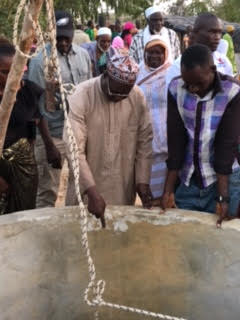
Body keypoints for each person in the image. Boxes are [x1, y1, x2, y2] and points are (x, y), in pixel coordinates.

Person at [65, 55, 153, 221]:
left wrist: (142, 180)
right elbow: (74, 149)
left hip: (122, 186)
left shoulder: (137, 97)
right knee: (81, 238)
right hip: (87, 189)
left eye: (123, 95)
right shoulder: (82, 95)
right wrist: (91, 191)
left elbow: (145, 142)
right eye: (114, 92)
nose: (118, 98)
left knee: (119, 236)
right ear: (105, 75)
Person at [162, 44, 240, 226]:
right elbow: (176, 140)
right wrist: (168, 190)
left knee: (222, 244)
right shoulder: (175, 88)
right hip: (189, 179)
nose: (193, 89)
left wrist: (222, 197)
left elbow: (225, 144)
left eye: (199, 83)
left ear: (212, 70)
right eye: (188, 83)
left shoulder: (232, 92)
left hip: (225, 179)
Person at [28, 10, 92, 208]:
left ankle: (73, 231)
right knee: (48, 190)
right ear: (51, 34)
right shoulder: (40, 62)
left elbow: (88, 93)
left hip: (78, 132)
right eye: (59, 38)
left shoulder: (83, 56)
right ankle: (44, 236)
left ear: (73, 34)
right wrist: (48, 145)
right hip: (52, 134)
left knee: (79, 187)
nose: (63, 42)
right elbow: (36, 108)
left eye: (67, 37)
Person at [0, 39, 44, 214]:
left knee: (22, 216)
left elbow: (35, 119)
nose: (12, 78)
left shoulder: (23, 90)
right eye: (5, 72)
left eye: (15, 72)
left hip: (22, 166)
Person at [137, 36, 171, 205]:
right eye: (150, 53)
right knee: (147, 191)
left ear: (166, 54)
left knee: (165, 193)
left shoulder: (171, 74)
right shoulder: (137, 72)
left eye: (158, 53)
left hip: (166, 138)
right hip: (144, 138)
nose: (154, 57)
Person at [166, 13, 234, 88]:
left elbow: (230, 90)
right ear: (196, 33)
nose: (217, 37)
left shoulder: (224, 61)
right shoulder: (180, 65)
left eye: (219, 32)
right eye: (212, 32)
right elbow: (173, 95)